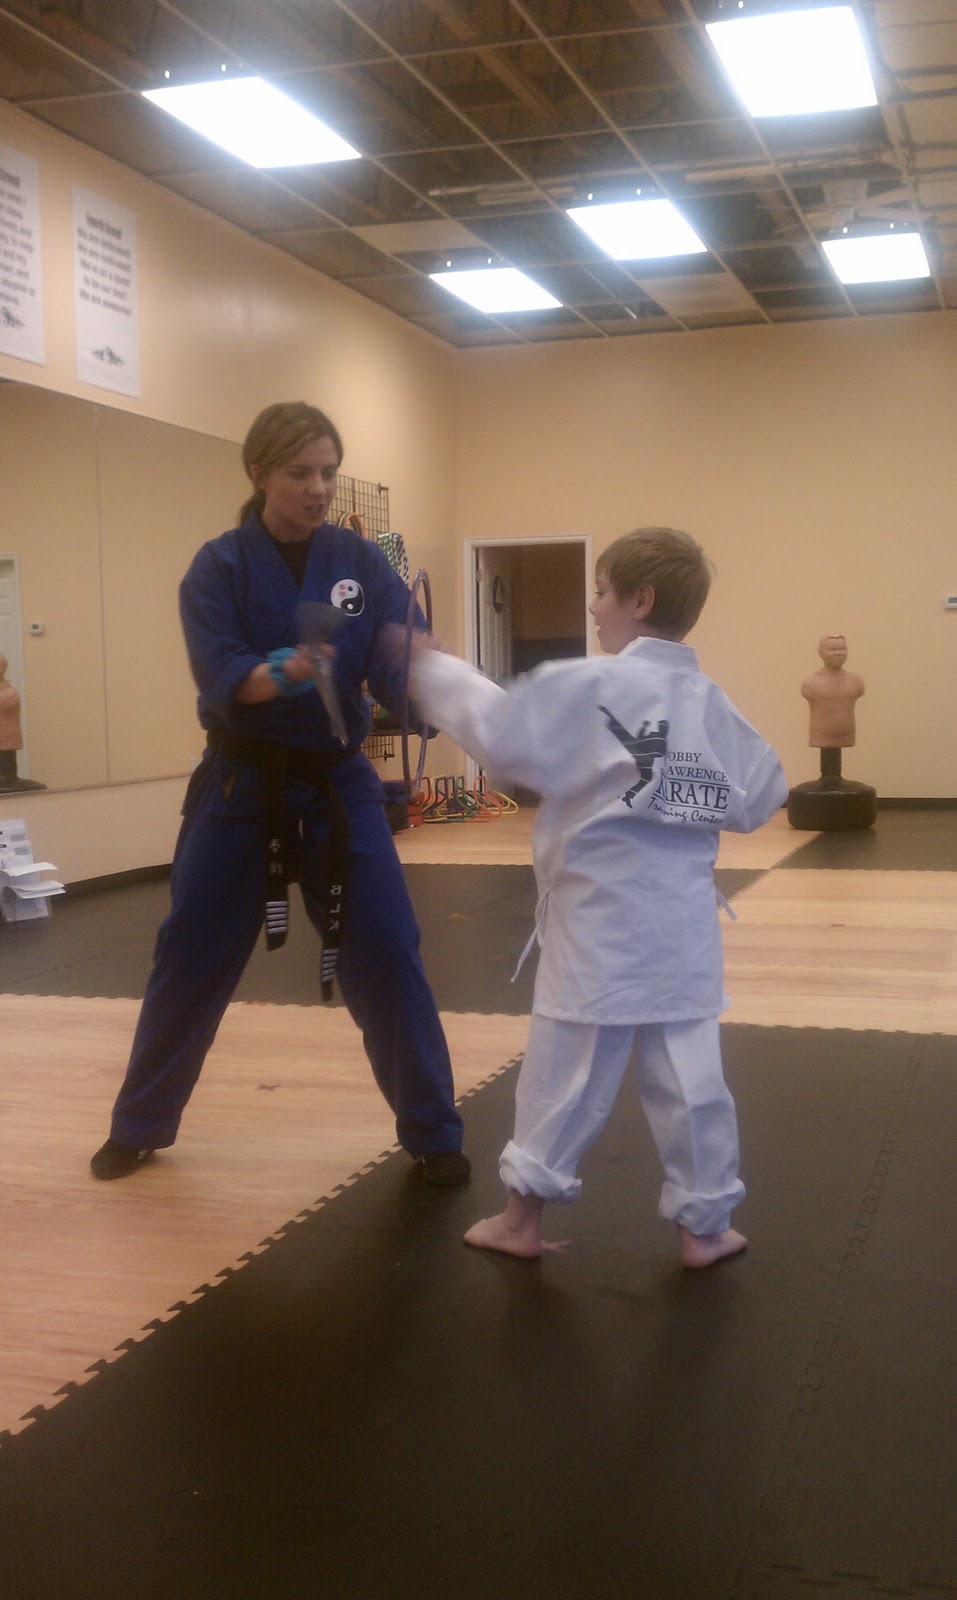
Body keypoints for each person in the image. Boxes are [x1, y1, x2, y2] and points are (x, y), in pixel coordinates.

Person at [91, 401, 469, 1187]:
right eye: (300, 473)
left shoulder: (358, 564)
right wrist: (286, 670)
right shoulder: (218, 568)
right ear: (260, 472)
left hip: (339, 785)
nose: (318, 488)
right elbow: (222, 675)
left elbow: (393, 659)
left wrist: (420, 665)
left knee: (389, 950)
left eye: (328, 472)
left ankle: (434, 1133)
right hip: (242, 785)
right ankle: (139, 1125)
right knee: (189, 955)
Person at [405, 527, 787, 1267]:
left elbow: (503, 734)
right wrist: (686, 795)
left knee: (567, 1067)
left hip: (597, 917)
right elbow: (763, 791)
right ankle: (705, 1226)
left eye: (602, 591)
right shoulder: (707, 700)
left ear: (640, 601)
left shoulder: (592, 684)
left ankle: (522, 1219)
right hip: (679, 920)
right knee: (691, 1077)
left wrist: (430, 666)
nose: (592, 606)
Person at [801, 634, 864, 776]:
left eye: (842, 649)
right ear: (820, 653)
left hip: (847, 732)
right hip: (821, 734)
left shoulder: (856, 682)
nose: (838, 653)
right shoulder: (811, 684)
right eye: (832, 649)